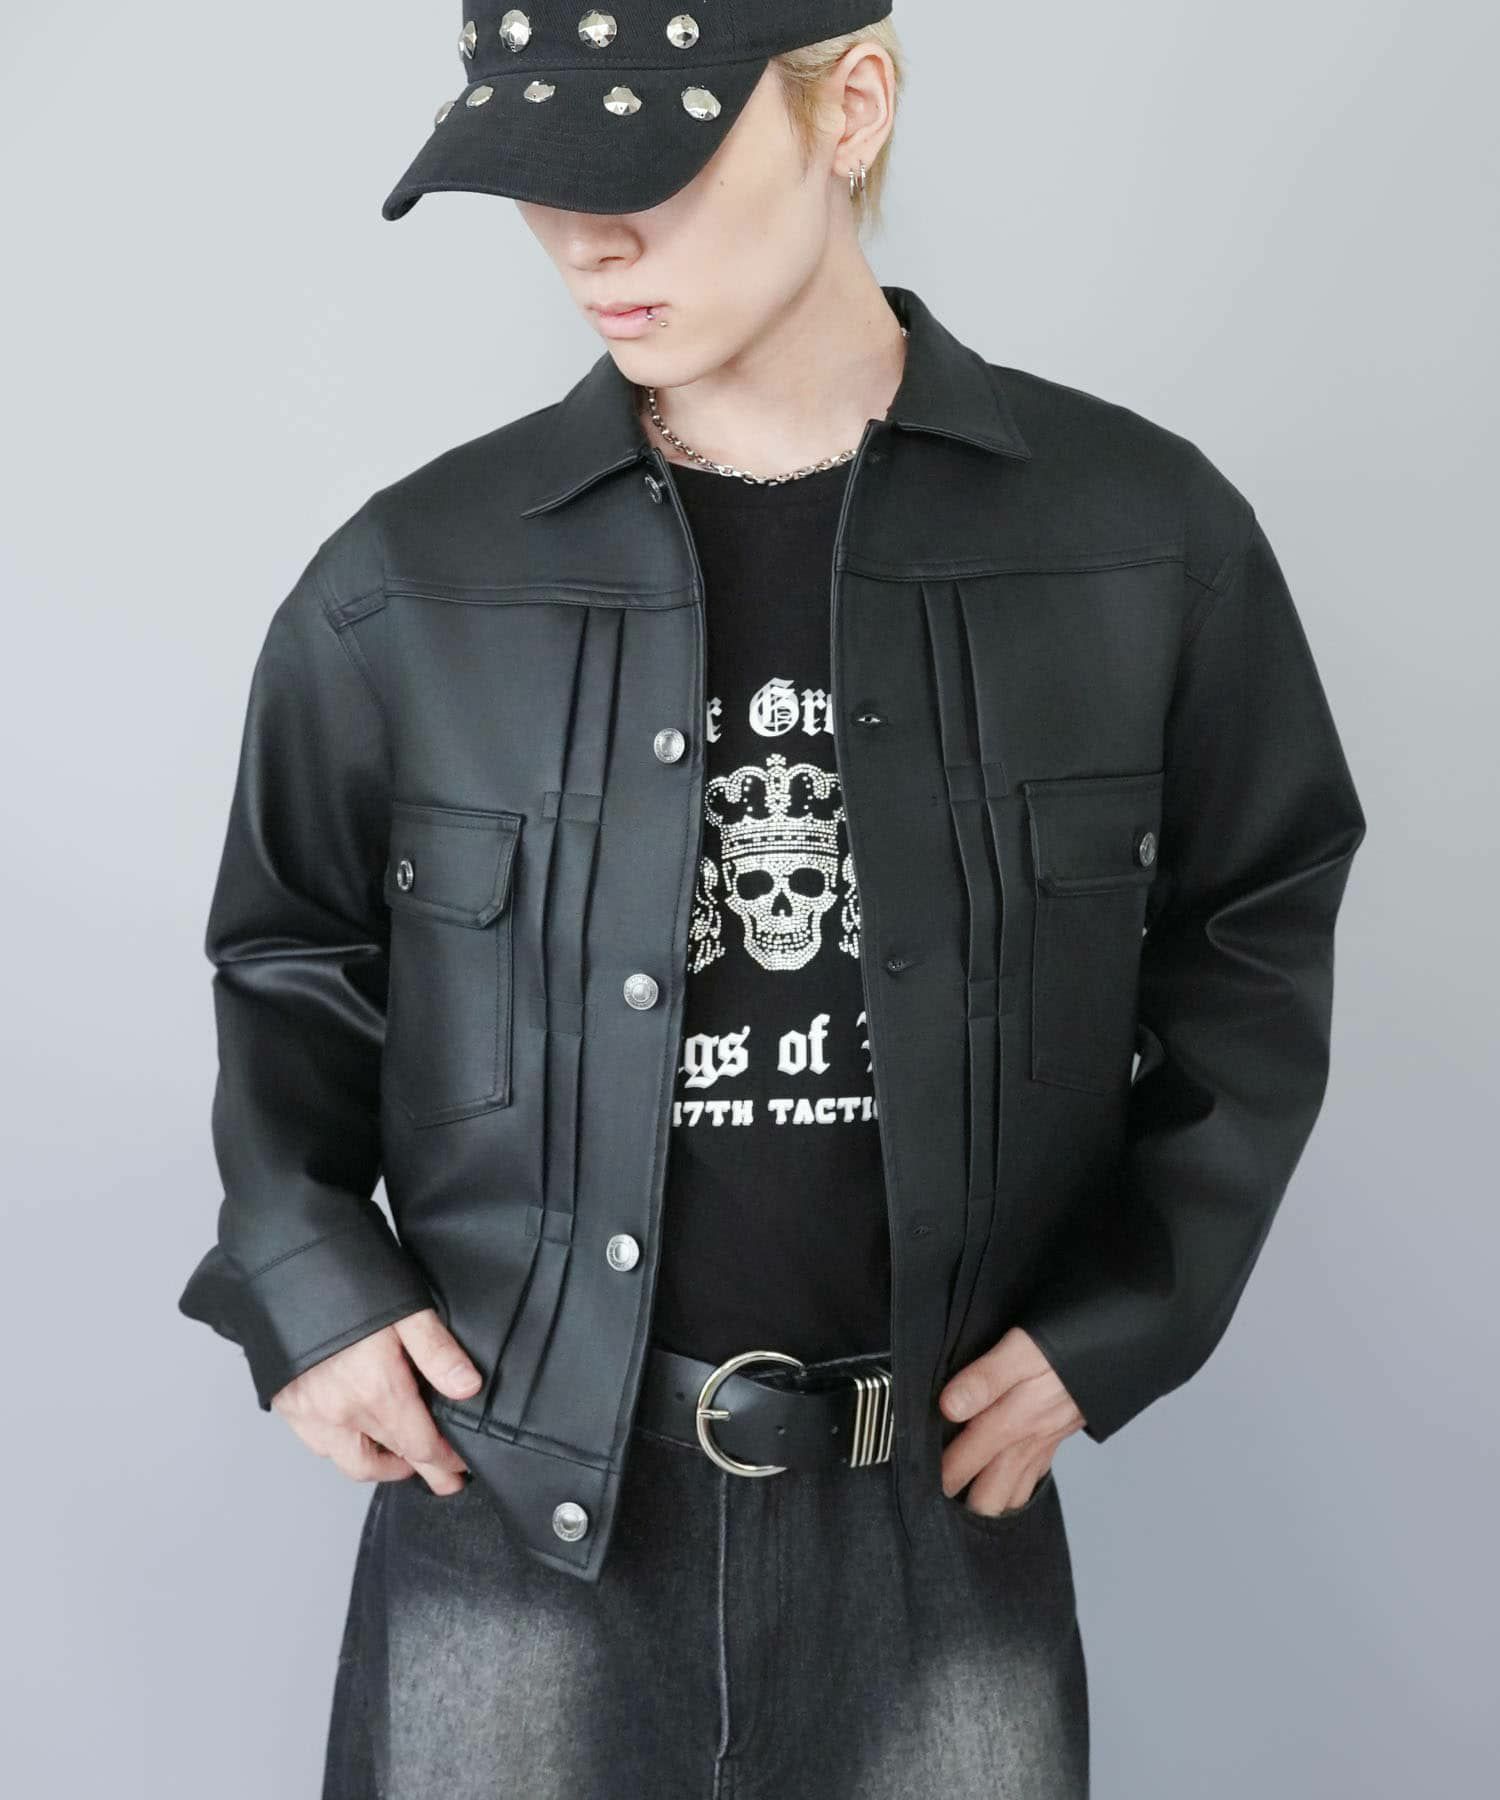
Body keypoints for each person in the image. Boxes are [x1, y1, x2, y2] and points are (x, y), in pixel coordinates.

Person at [177, 7, 1367, 1797]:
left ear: (850, 107)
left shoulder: (1141, 542)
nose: (586, 241)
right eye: (540, 181)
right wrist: (309, 1282)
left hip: (932, 1522)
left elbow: (1253, 926)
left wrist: (1134, 1314)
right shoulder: (416, 580)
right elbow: (288, 948)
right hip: (514, 1510)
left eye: (641, 168)